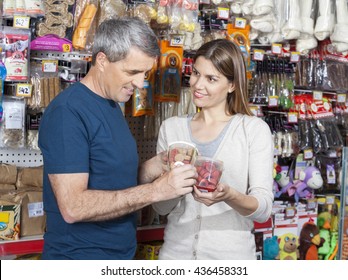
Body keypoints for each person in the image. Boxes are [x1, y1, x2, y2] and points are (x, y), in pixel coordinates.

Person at [38, 17, 197, 260]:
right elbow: (73, 207)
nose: (140, 83)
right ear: (102, 60)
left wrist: (156, 165)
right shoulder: (68, 112)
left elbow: (110, 179)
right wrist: (155, 191)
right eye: (132, 72)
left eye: (145, 72)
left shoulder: (111, 105)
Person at [153, 39, 274, 260]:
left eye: (211, 79)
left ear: (232, 85)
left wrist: (229, 195)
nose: (198, 85)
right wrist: (171, 185)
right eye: (196, 73)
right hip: (175, 257)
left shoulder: (253, 130)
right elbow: (161, 209)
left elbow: (263, 208)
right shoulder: (171, 128)